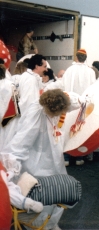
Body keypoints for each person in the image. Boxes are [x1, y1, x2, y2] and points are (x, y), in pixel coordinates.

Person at [1, 89, 86, 229]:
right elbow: (22, 141)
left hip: (54, 152)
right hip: (38, 157)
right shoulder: (36, 114)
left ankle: (52, 222)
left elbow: (75, 101)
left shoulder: (63, 100)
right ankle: (39, 224)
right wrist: (11, 166)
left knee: (58, 189)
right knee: (42, 191)